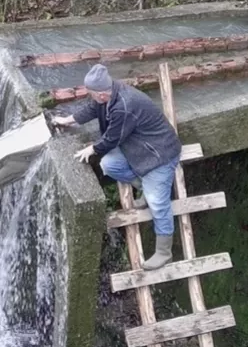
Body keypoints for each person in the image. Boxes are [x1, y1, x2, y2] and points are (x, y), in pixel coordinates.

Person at [52, 64, 182, 270]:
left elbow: (112, 138)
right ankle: (145, 189)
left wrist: (91, 149)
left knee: (159, 203)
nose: (90, 97)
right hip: (137, 146)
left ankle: (164, 252)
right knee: (109, 165)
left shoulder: (124, 105)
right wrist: (67, 121)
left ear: (102, 94)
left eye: (91, 94)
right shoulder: (107, 96)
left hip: (160, 154)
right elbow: (90, 110)